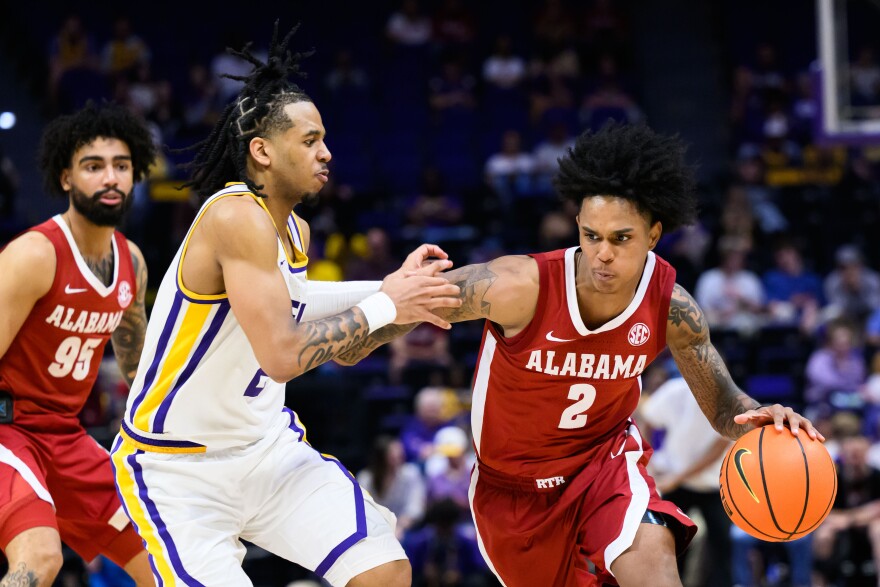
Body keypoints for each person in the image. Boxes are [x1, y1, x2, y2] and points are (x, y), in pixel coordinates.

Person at [339, 123, 822, 587]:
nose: (603, 254)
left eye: (621, 238)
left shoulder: (671, 306)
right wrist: (341, 341)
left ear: (654, 234)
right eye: (591, 236)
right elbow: (400, 309)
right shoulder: (517, 287)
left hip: (604, 464)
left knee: (655, 558)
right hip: (512, 491)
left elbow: (722, 406)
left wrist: (757, 417)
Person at [110, 24, 460, 587]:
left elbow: (317, 321)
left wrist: (395, 294)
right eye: (310, 140)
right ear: (262, 151)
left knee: (386, 573)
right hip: (177, 469)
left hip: (268, 450)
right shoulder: (235, 217)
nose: (327, 153)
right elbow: (281, 353)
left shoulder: (292, 228)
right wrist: (387, 301)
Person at [0, 102, 155, 585]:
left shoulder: (131, 261)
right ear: (66, 178)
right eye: (93, 166)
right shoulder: (34, 254)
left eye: (121, 166)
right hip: (8, 427)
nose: (110, 178)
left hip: (65, 436)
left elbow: (144, 376)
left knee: (166, 562)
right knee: (40, 560)